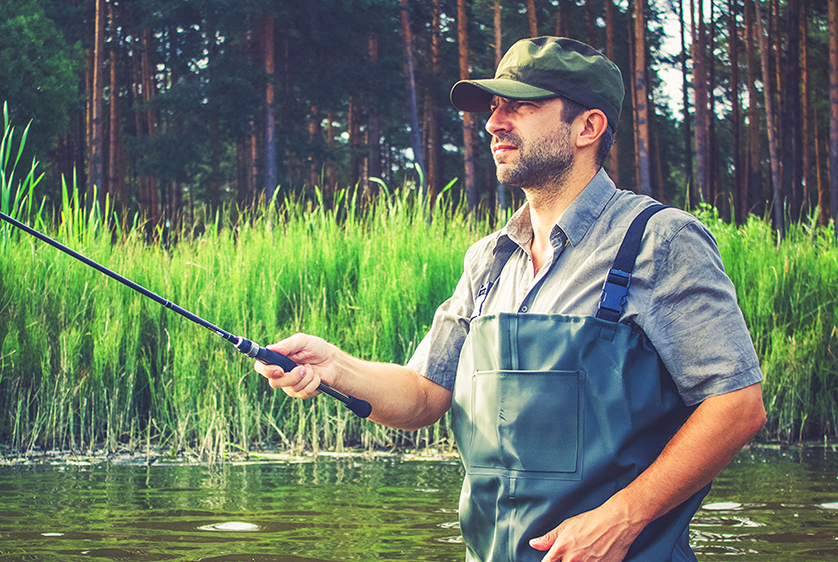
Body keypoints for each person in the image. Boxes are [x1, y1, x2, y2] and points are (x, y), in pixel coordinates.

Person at [254, 36, 766, 562]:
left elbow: (737, 405)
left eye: (520, 105)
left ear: (587, 127)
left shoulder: (662, 241)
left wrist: (622, 516)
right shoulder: (488, 259)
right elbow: (425, 394)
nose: (495, 123)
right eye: (495, 107)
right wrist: (334, 365)